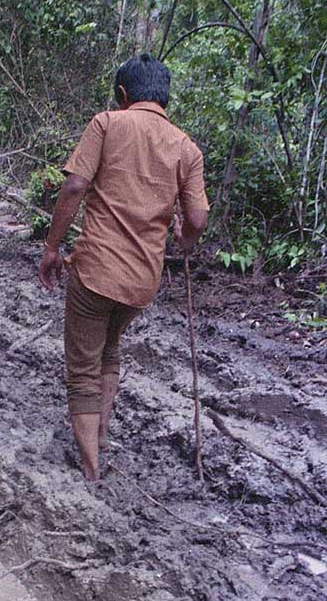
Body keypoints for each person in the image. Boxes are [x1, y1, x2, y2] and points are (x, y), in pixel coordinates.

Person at [38, 54, 209, 481]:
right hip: (141, 283)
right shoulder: (187, 149)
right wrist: (184, 239)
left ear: (123, 94)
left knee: (82, 369)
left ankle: (92, 469)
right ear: (164, 98)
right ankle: (101, 434)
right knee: (109, 350)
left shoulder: (108, 123)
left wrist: (51, 249)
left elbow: (76, 184)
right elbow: (199, 218)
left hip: (95, 271)